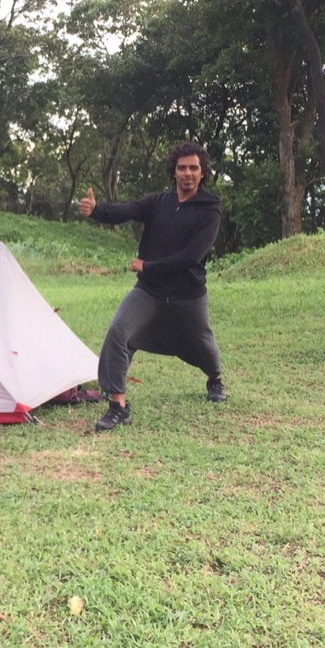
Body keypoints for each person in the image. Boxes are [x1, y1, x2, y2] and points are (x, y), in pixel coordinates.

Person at [78, 141, 227, 432]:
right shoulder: (159, 202)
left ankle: (215, 379)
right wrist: (96, 211)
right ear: (173, 172)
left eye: (193, 168)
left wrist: (147, 265)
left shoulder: (210, 210)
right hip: (150, 290)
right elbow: (125, 210)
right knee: (120, 331)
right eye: (181, 168)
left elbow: (190, 257)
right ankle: (117, 406)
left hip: (187, 293)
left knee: (203, 345)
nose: (187, 173)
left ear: (202, 173)